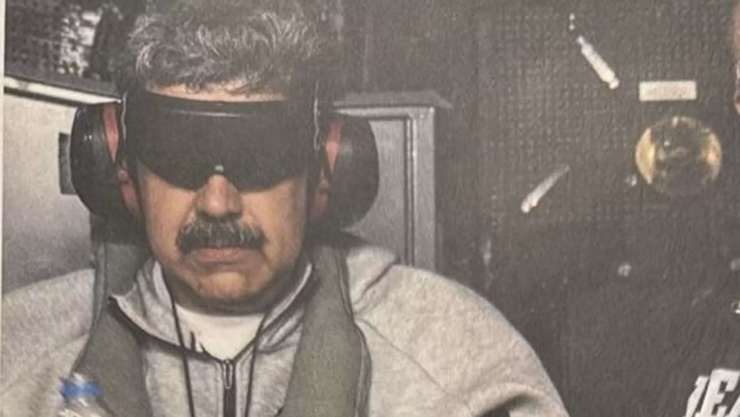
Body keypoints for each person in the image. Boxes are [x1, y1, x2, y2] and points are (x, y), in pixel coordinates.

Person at [0, 1, 568, 416]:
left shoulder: (462, 367)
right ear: (121, 167)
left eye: (257, 156)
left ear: (325, 169)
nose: (217, 204)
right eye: (178, 154)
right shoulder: (21, 358)